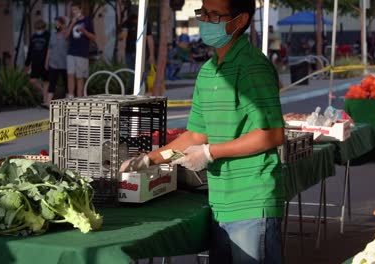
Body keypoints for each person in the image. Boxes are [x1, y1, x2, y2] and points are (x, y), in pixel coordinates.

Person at [120, 0, 285, 263]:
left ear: (240, 21)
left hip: (252, 202)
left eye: (214, 15)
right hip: (219, 203)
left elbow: (272, 134)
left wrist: (210, 153)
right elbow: (195, 136)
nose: (205, 21)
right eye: (203, 13)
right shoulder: (208, 72)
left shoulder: (253, 66)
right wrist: (150, 159)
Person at [64, 2, 96, 98]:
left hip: (82, 53)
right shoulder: (72, 21)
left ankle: (79, 98)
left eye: (76, 10)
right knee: (70, 75)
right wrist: (72, 23)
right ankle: (71, 96)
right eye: (72, 10)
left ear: (80, 10)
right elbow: (66, 36)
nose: (74, 12)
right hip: (71, 52)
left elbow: (93, 37)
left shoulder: (87, 21)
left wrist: (84, 31)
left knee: (79, 77)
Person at [44, 16, 69, 108]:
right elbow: (49, 49)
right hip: (53, 63)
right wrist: (47, 61)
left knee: (66, 83)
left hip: (65, 63)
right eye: (55, 23)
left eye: (58, 23)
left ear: (62, 24)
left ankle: (67, 101)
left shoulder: (66, 34)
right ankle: (48, 102)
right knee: (52, 83)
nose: (56, 25)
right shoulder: (53, 34)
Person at [25, 19, 50, 104]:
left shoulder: (48, 35)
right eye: (37, 28)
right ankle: (44, 93)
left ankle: (45, 101)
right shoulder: (33, 37)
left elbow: (50, 49)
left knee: (46, 81)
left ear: (44, 28)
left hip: (45, 62)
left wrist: (49, 61)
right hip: (35, 62)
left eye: (40, 28)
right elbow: (30, 50)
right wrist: (27, 63)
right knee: (32, 80)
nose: (38, 30)